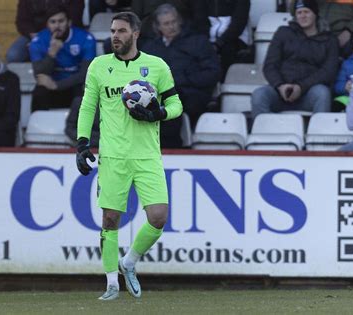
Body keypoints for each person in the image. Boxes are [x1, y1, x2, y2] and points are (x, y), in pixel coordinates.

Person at [75, 12, 182, 300]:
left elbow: (176, 105)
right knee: (110, 219)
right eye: (112, 31)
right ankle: (111, 284)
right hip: (113, 156)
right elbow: (88, 107)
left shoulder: (156, 66)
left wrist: (158, 113)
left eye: (121, 30)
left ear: (135, 33)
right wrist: (82, 143)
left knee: (158, 217)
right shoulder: (99, 66)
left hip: (147, 156)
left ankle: (129, 262)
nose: (115, 36)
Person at [142, 3, 221, 144]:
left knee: (169, 99)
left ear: (180, 21)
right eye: (166, 24)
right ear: (158, 27)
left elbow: (213, 72)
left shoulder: (198, 42)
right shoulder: (151, 47)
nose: (171, 26)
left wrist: (184, 79)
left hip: (191, 93)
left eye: (174, 22)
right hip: (156, 93)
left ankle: (171, 146)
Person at [251, 0, 339, 118]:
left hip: (309, 93)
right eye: (299, 12)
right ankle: (262, 133)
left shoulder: (329, 39)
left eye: (306, 12)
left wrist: (301, 87)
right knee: (259, 94)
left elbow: (329, 71)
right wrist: (280, 85)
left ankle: (318, 134)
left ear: (315, 14)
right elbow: (270, 65)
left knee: (322, 93)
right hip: (281, 93)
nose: (302, 16)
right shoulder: (283, 32)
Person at [29, 5, 96, 112]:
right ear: (47, 24)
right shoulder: (38, 41)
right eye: (53, 22)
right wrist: (51, 54)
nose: (57, 25)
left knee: (85, 92)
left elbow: (86, 74)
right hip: (51, 85)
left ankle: (80, 128)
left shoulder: (85, 38)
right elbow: (39, 74)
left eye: (61, 21)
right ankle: (39, 127)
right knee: (39, 92)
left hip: (74, 84)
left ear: (69, 22)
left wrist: (57, 85)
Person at [7, 0, 85, 63]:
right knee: (13, 55)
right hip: (34, 34)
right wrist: (35, 37)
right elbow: (22, 21)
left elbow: (75, 19)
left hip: (64, 33)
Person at [193, 0, 251, 81]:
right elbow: (200, 21)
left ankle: (225, 85)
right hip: (209, 39)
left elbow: (238, 24)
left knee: (228, 50)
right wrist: (206, 42)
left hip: (235, 38)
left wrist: (218, 44)